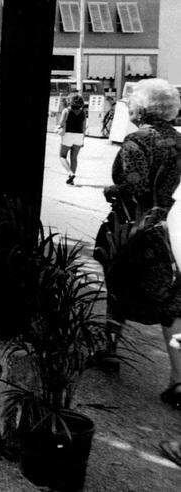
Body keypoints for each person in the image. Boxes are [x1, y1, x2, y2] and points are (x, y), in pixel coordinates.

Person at [94, 78, 181, 407]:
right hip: (171, 230)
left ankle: (110, 350)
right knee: (174, 304)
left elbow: (133, 186)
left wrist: (109, 191)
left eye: (132, 101)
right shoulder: (178, 141)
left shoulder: (137, 141)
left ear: (143, 107)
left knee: (117, 285)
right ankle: (177, 379)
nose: (128, 106)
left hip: (135, 230)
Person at [58, 94, 88, 185]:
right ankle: (72, 180)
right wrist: (83, 140)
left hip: (68, 135)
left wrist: (60, 127)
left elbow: (61, 123)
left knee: (62, 156)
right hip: (79, 136)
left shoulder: (66, 110)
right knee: (74, 158)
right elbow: (84, 127)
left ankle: (70, 173)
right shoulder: (83, 112)